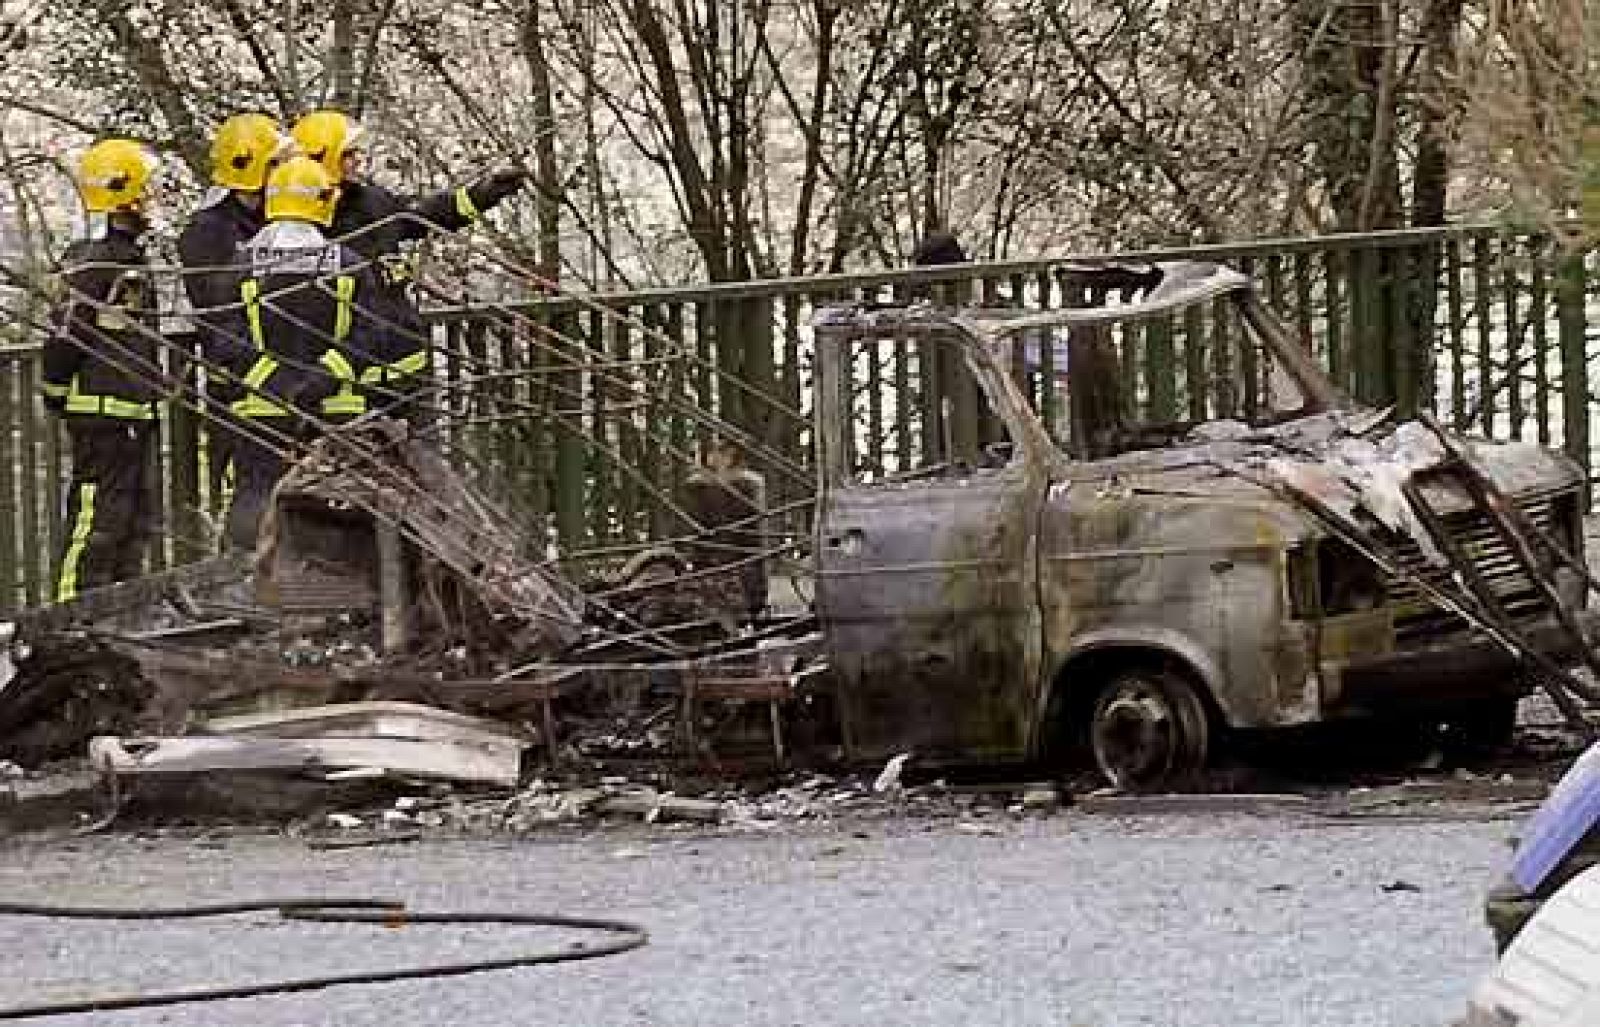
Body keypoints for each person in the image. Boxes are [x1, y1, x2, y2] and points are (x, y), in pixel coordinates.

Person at [290, 109, 527, 420]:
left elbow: (424, 216)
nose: (357, 160)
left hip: (409, 374)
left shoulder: (373, 201)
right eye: (347, 154)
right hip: (347, 387)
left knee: (426, 466)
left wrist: (481, 196)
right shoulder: (304, 229)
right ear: (320, 158)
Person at [213, 155, 382, 550]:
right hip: (338, 412)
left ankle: (248, 593)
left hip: (261, 412)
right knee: (338, 507)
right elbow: (371, 335)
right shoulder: (350, 265)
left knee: (258, 504)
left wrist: (270, 381)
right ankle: (339, 596)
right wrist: (325, 378)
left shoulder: (240, 267)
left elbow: (225, 339)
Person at [40, 138, 163, 601]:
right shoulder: (95, 264)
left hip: (131, 416)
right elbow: (65, 338)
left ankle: (116, 618)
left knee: (130, 525)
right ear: (121, 194)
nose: (153, 200)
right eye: (146, 190)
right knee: (96, 523)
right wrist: (55, 390)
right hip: (104, 420)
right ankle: (67, 620)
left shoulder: (128, 258)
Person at [177, 113, 290, 529]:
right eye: (275, 164)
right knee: (251, 496)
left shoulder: (276, 221)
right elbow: (218, 316)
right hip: (241, 384)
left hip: (286, 378)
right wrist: (254, 365)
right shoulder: (209, 233)